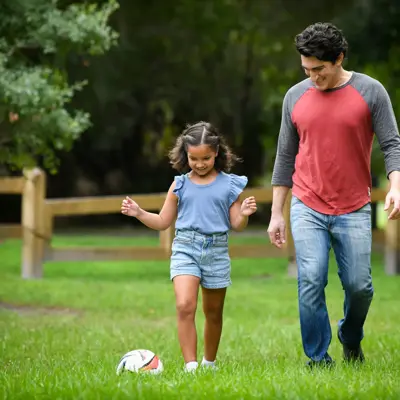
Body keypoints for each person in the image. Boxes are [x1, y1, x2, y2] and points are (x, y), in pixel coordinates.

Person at [268, 22, 400, 368]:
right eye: (306, 70)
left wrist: (397, 186)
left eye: (319, 69)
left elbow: (392, 144)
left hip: (354, 206)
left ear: (339, 58)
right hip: (307, 203)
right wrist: (277, 213)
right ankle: (318, 359)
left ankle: (350, 336)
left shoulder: (370, 91)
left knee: (359, 287)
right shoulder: (295, 97)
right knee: (310, 279)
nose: (313, 77)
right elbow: (284, 157)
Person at [121, 121, 257, 372]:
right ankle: (191, 366)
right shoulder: (180, 184)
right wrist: (139, 212)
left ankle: (209, 363)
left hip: (216, 250)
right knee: (185, 305)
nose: (200, 163)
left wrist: (245, 213)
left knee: (213, 312)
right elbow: (163, 221)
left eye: (206, 158)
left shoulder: (230, 185)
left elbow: (237, 224)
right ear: (186, 155)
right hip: (185, 247)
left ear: (216, 152)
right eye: (194, 159)